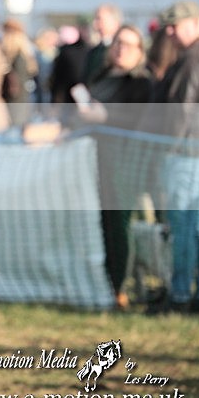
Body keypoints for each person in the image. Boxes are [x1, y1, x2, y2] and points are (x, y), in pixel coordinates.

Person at [75, 25, 153, 310]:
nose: (122, 49)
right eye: (119, 43)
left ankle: (120, 286)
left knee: (119, 224)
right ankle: (103, 281)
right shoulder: (101, 75)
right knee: (98, 223)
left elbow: (139, 119)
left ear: (140, 51)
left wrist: (104, 116)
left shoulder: (141, 82)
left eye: (129, 45)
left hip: (123, 162)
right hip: (92, 159)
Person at [151, 0, 199, 313]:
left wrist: (166, 147)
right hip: (193, 152)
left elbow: (181, 111)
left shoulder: (193, 58)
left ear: (197, 23)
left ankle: (182, 293)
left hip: (187, 154)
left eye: (176, 25)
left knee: (184, 225)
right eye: (168, 26)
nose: (170, 32)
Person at [0, 18, 38, 128]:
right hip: (22, 100)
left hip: (16, 102)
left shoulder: (17, 57)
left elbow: (16, 85)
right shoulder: (25, 53)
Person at [83, 3, 123, 85]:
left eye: (99, 19)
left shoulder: (123, 51)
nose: (95, 24)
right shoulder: (94, 52)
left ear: (115, 22)